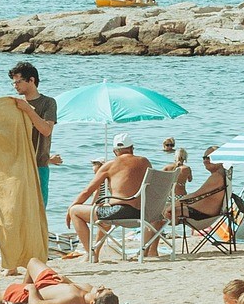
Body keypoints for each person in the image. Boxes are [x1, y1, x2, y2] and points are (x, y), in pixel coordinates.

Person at [66, 134, 152, 261]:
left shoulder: (110, 165)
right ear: (132, 148)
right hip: (142, 213)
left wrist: (70, 208)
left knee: (75, 211)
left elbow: (87, 191)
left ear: (114, 151)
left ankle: (91, 253)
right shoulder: (145, 162)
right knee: (104, 211)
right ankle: (96, 250)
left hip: (119, 212)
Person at [8, 62, 57, 208]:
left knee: (38, 210)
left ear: (31, 80)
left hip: (39, 164)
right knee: (16, 209)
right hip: (17, 164)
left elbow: (46, 130)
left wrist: (28, 110)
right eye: (13, 83)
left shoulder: (48, 102)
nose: (15, 85)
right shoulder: (13, 104)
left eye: (18, 81)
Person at [177, 146, 229, 222]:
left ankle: (157, 233)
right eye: (204, 158)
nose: (205, 160)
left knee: (163, 214)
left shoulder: (217, 176)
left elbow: (195, 195)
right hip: (208, 213)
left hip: (203, 215)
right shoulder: (223, 174)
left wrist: (173, 205)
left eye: (208, 157)